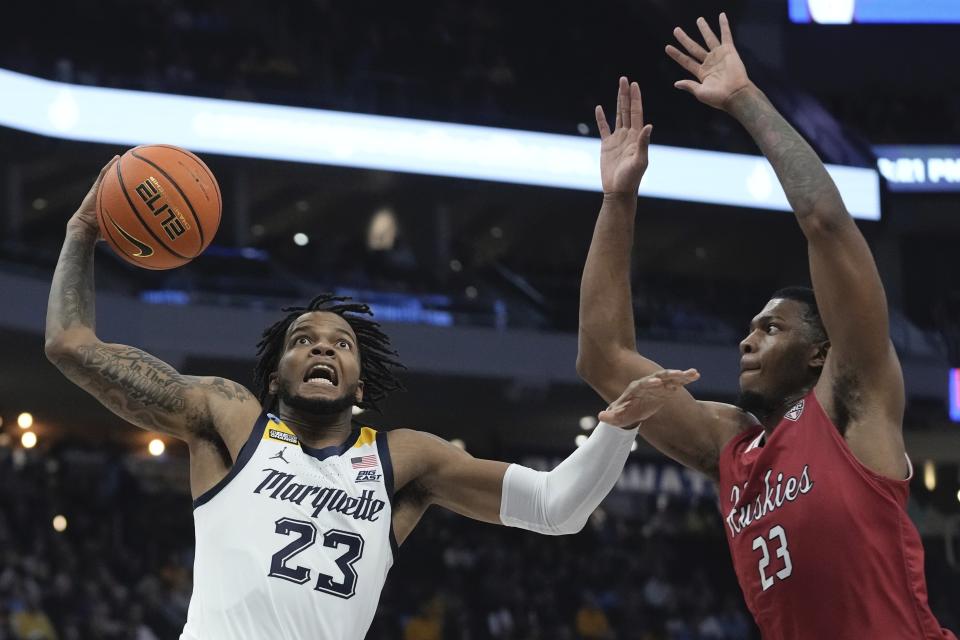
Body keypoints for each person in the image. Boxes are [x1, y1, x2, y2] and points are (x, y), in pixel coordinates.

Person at [43, 159, 700, 640]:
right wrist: (81, 230)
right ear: (275, 376)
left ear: (359, 383)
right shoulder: (230, 419)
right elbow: (71, 344)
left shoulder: (403, 461)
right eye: (303, 340)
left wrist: (617, 429)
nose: (323, 349)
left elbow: (557, 509)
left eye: (341, 344)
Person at [576, 13, 956, 640]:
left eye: (771, 328)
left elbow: (827, 225)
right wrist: (618, 201)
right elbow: (604, 357)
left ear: (820, 353)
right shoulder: (732, 448)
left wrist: (746, 100)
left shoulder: (851, 402)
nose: (746, 339)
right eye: (751, 328)